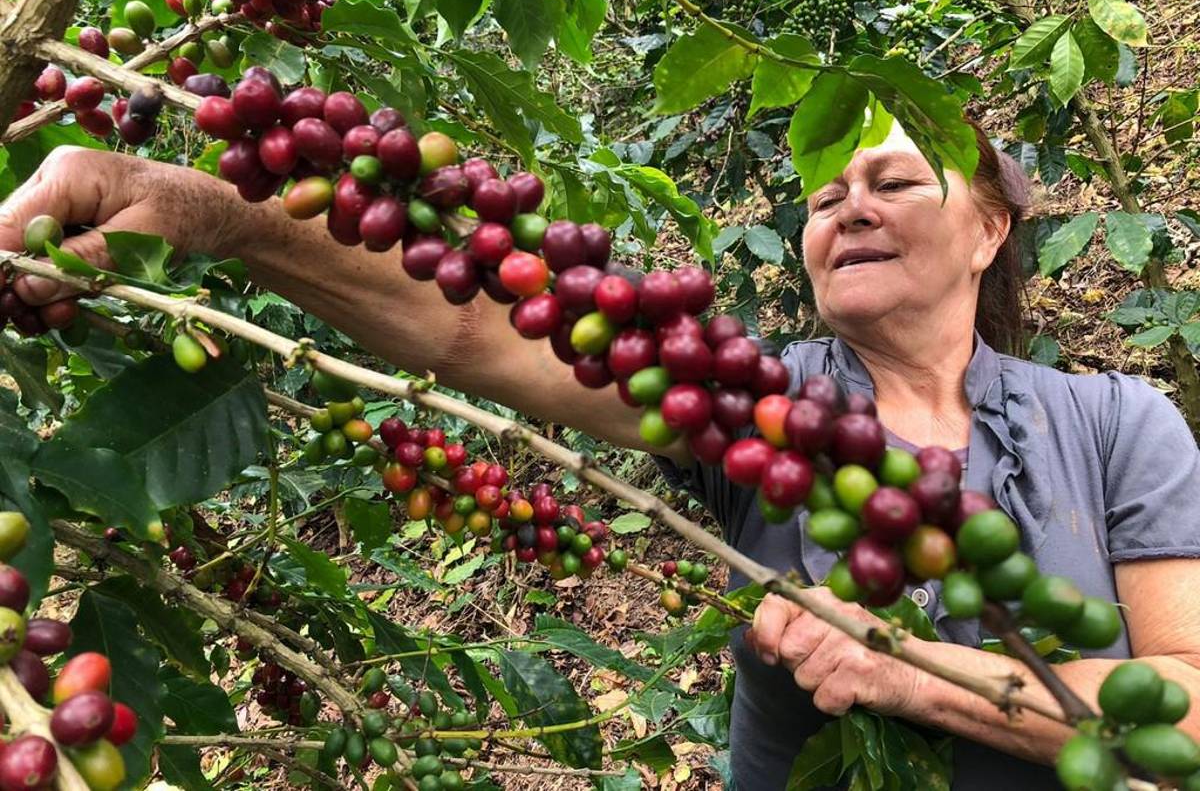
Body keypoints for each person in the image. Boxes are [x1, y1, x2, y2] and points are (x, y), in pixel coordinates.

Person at [1, 119, 1198, 791]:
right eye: (826, 199)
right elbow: (476, 323)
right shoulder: (763, 400)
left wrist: (905, 672)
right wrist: (208, 209)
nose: (847, 211)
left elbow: (1185, 713)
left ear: (991, 226)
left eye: (891, 181)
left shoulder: (1116, 424)